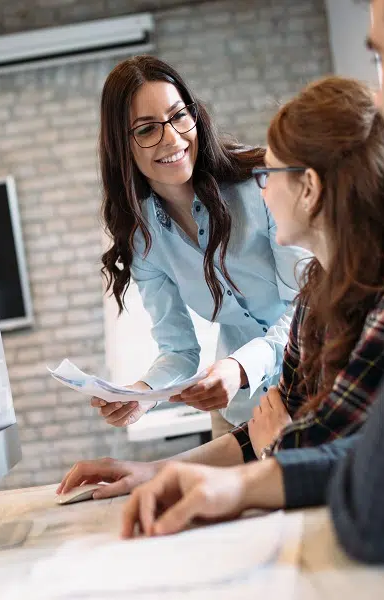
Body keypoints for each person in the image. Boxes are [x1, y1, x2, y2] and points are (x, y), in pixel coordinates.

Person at [120, 1, 384, 598]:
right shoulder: (315, 292)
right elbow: (351, 452)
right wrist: (191, 469)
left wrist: (276, 444)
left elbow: (378, 491)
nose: (380, 97)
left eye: (379, 56)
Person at [62, 76, 384, 596]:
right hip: (279, 438)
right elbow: (282, 430)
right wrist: (151, 468)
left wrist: (271, 445)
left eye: (270, 173)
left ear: (308, 188)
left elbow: (317, 447)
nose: (261, 187)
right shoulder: (317, 293)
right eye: (147, 129)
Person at [96, 55, 311, 437]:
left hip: (316, 388)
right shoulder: (144, 239)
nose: (173, 139)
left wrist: (241, 367)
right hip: (240, 414)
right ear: (121, 146)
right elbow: (179, 350)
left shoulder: (262, 184)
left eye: (179, 115)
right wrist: (144, 393)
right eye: (146, 130)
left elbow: (307, 307)